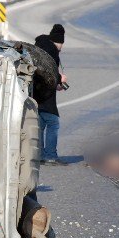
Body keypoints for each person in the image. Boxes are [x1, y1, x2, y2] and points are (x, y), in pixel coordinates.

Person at [34, 24, 69, 165]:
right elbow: (49, 71)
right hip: (45, 94)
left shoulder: (40, 45)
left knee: (41, 123)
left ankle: (41, 155)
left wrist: (56, 85)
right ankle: (50, 156)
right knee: (53, 123)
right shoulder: (52, 50)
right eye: (62, 44)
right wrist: (60, 79)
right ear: (59, 41)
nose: (61, 47)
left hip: (36, 92)